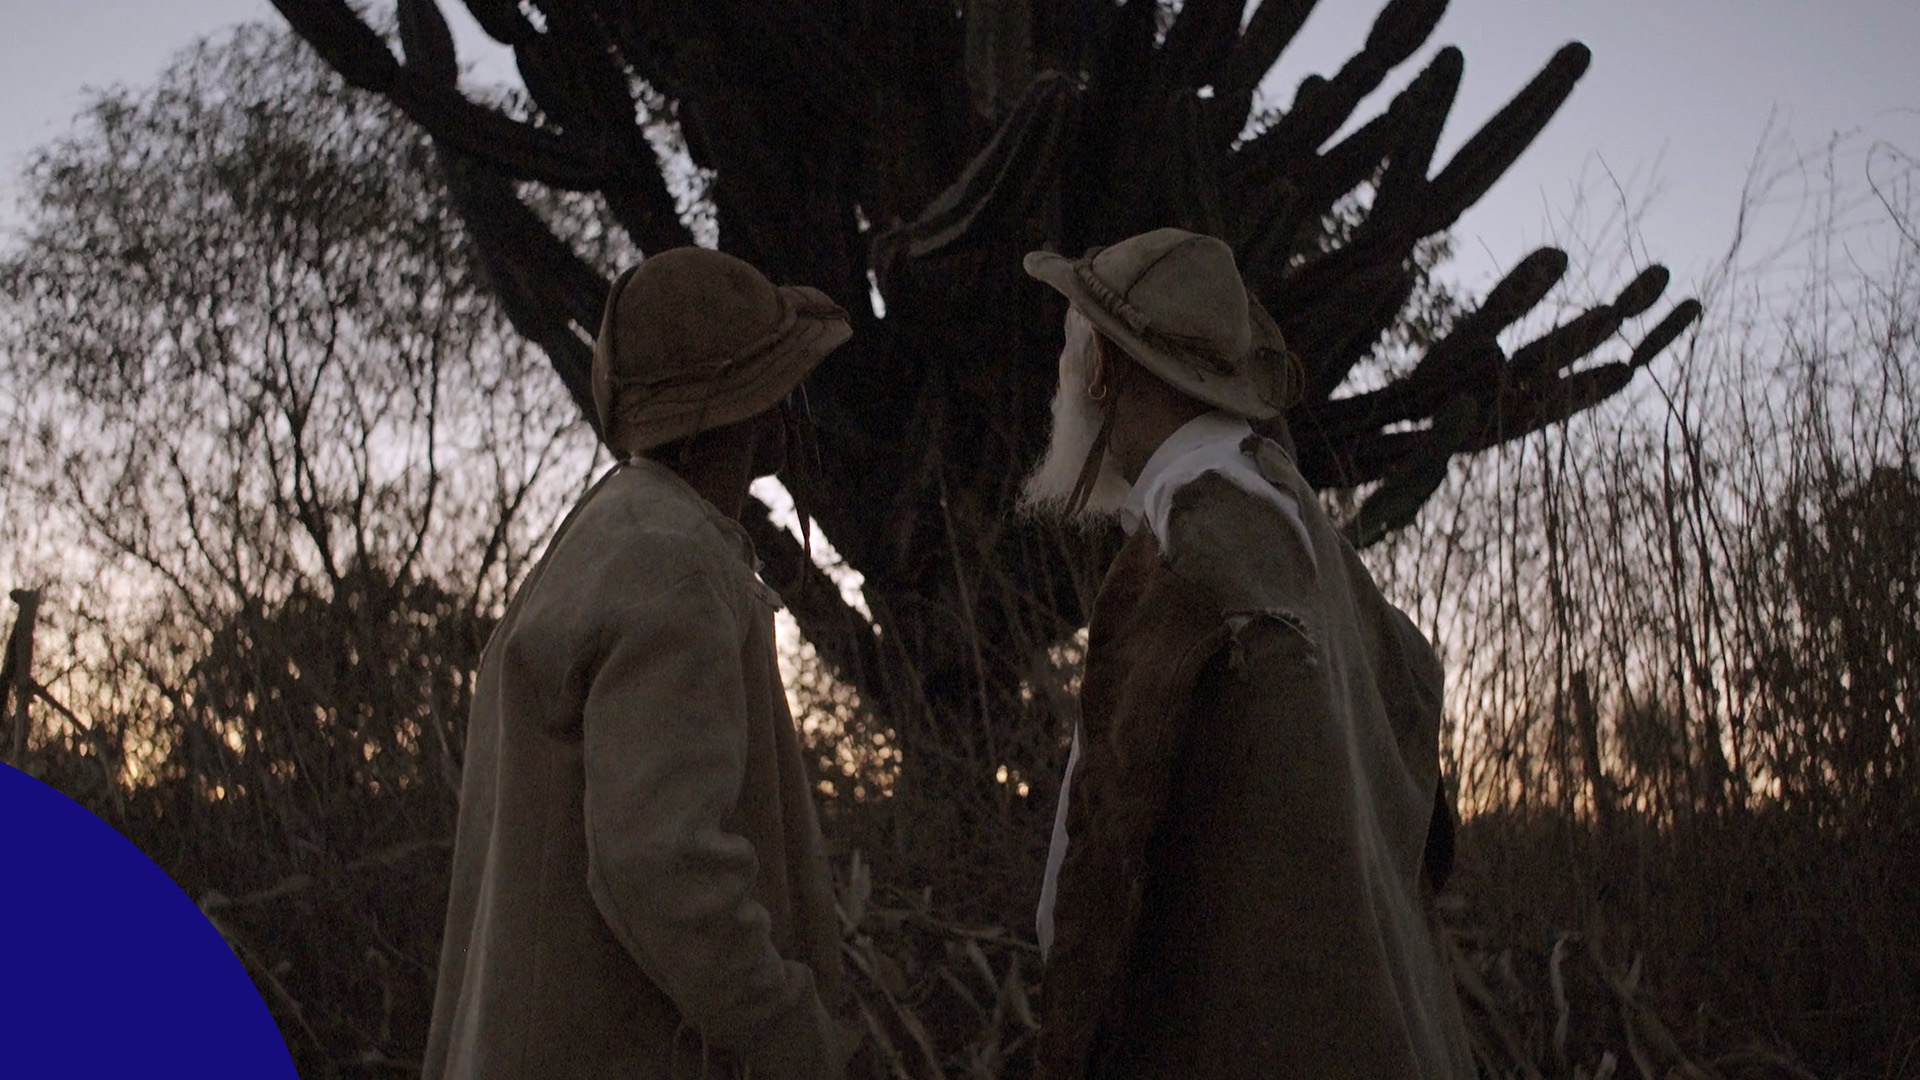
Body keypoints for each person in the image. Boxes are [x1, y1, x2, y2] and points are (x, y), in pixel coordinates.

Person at [1020, 228, 1475, 1079]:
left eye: (1073, 349)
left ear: (1103, 370)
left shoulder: (1180, 561)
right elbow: (1426, 834)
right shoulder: (1310, 538)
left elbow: (1087, 904)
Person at [424, 247, 853, 1080]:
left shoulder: (618, 535)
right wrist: (800, 1039)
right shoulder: (672, 563)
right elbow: (663, 869)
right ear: (761, 407)